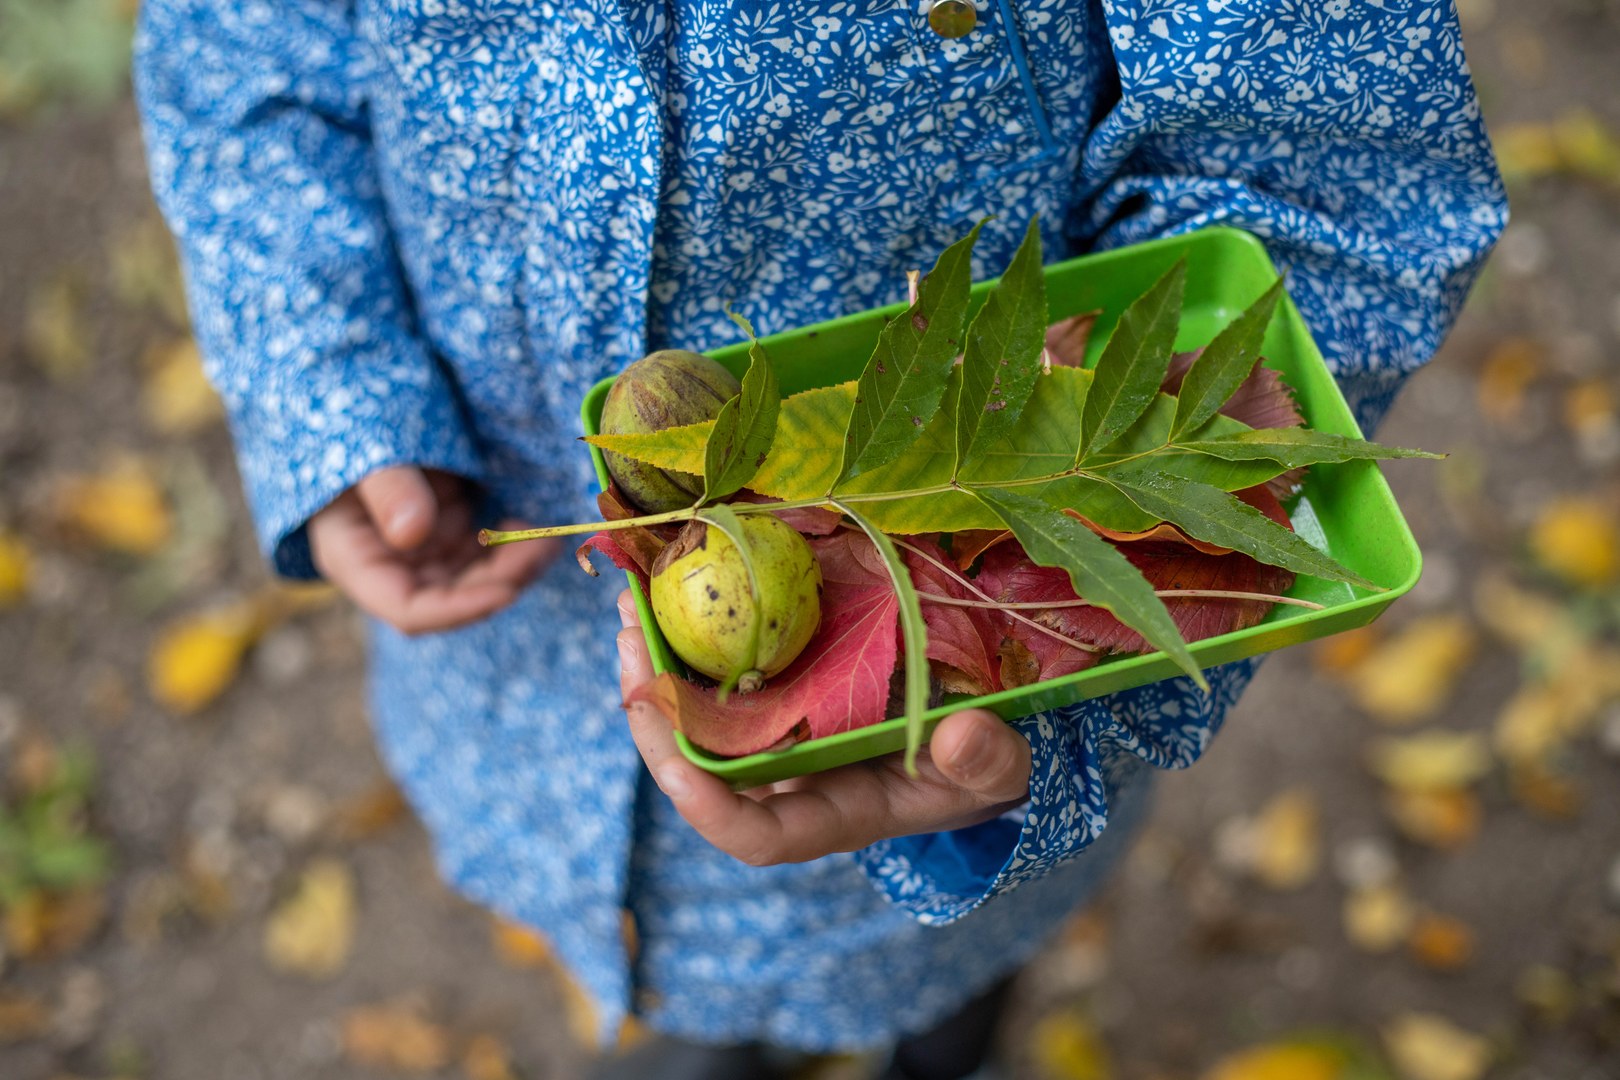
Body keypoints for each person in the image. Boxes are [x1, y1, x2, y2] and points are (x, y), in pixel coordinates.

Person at [134, 1, 1507, 1076]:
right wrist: (337, 390)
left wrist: (1037, 686)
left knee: (951, 965)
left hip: (955, 670)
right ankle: (722, 1030)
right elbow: (242, 45)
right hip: (523, 652)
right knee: (708, 1017)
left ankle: (947, 1035)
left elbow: (1325, 179)